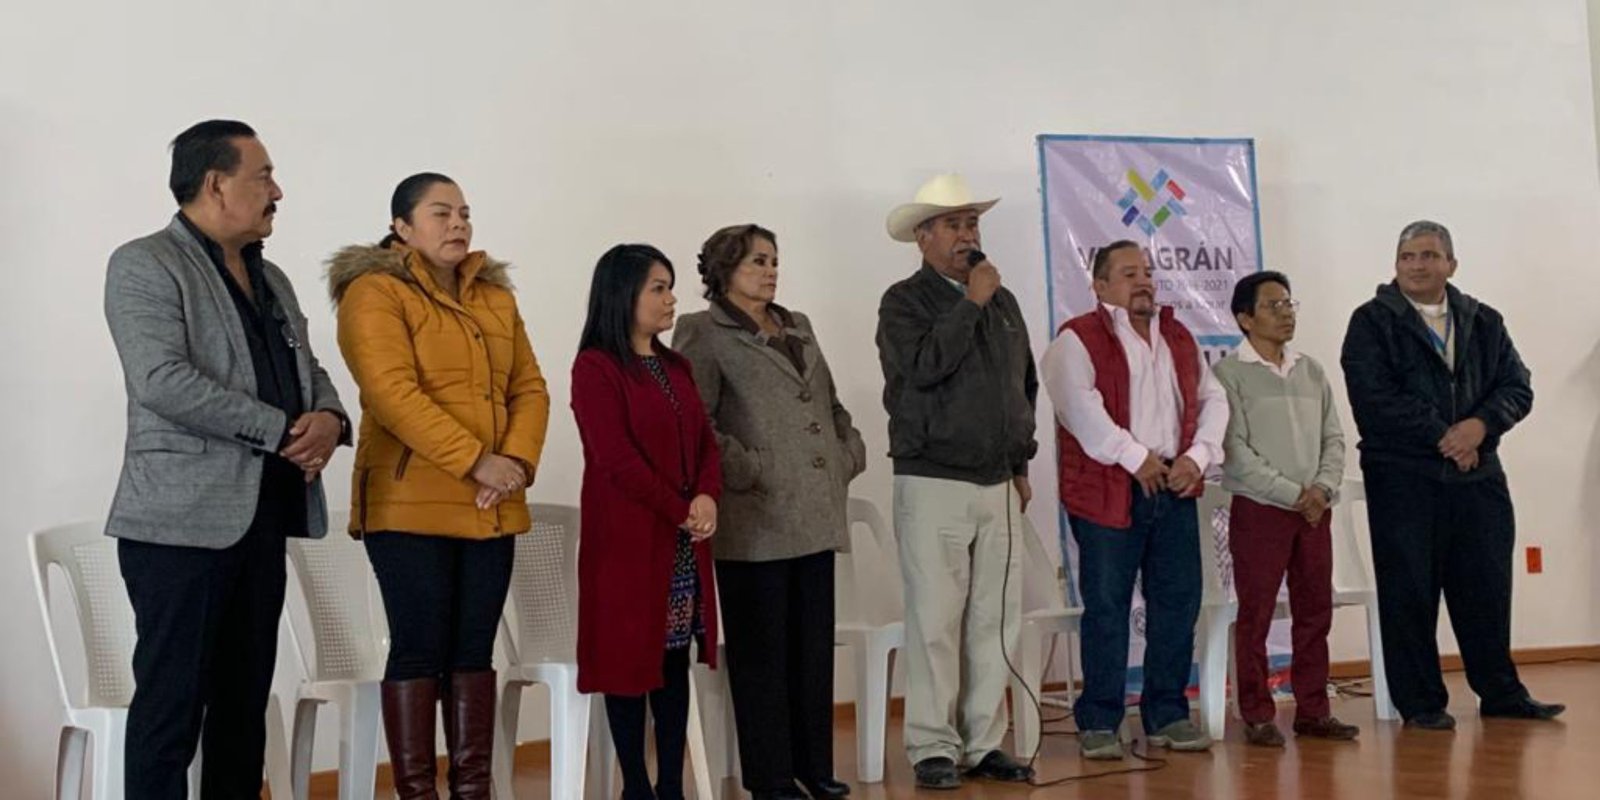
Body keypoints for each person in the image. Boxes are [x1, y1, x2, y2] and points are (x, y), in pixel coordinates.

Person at [104, 119, 349, 798]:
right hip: (177, 528)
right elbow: (161, 380)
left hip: (263, 518)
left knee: (243, 710)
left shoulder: (273, 277)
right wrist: (281, 431)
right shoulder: (144, 263)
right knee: (171, 711)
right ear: (216, 184)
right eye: (263, 176)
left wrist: (330, 420)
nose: (278, 192)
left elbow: (309, 368)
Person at [328, 172, 549, 798]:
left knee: (473, 652)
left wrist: (514, 464)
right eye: (441, 213)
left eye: (465, 213)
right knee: (420, 649)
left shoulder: (494, 297)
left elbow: (529, 388)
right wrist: (477, 461)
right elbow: (390, 393)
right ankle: (418, 792)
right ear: (401, 227)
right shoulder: (374, 291)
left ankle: (473, 790)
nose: (458, 224)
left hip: (490, 504)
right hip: (408, 506)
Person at [1340, 220, 1563, 729]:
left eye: (1429, 256)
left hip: (1479, 477)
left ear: (1451, 265)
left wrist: (1480, 427)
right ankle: (1421, 703)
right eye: (1407, 257)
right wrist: (1448, 437)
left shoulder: (1483, 320)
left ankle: (1501, 693)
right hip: (1404, 478)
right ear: (1395, 265)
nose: (1417, 265)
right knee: (1409, 592)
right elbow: (1374, 398)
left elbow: (1517, 386)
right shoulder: (1371, 321)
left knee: (1487, 589)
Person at [672, 224, 864, 800]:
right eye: (757, 261)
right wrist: (748, 467)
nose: (770, 270)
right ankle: (771, 776)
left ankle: (814, 767)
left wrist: (847, 453)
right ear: (724, 269)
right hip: (755, 520)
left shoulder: (796, 324)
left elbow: (830, 404)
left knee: (812, 652)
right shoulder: (703, 330)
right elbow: (696, 420)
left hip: (816, 511)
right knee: (763, 657)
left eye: (774, 260)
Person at [876, 173, 1038, 790]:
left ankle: (984, 741)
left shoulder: (1004, 302)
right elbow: (923, 368)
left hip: (997, 482)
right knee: (936, 620)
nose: (968, 235)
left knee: (995, 619)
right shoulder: (903, 302)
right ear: (923, 237)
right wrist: (970, 302)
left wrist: (1020, 465)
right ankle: (932, 746)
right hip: (933, 479)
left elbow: (1022, 385)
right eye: (953, 224)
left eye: (972, 223)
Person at [1040, 240, 1228, 760]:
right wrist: (1134, 457)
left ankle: (1167, 712)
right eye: (1128, 273)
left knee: (1177, 603)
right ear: (1100, 286)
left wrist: (1197, 456)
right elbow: (1079, 409)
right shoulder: (1076, 339)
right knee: (1107, 606)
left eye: (1147, 272)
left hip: (1174, 483)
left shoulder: (1178, 336)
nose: (1144, 280)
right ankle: (1100, 719)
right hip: (1110, 488)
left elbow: (1213, 399)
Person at [571, 244, 722, 800]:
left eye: (670, 287)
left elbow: (705, 444)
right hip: (627, 545)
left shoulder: (676, 366)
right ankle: (635, 785)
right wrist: (680, 509)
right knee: (628, 664)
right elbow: (615, 458)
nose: (671, 299)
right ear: (623, 294)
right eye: (658, 288)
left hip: (680, 543)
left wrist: (706, 495)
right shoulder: (596, 367)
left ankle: (670, 786)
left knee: (671, 662)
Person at [1213, 270, 1358, 747]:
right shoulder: (1228, 374)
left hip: (1314, 510)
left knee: (1315, 610)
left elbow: (1334, 438)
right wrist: (1293, 494)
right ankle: (1256, 713)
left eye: (1289, 304)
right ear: (1245, 318)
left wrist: (1321, 489)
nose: (1285, 314)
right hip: (1261, 509)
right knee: (1255, 614)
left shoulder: (1310, 370)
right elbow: (1235, 451)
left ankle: (1313, 710)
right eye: (1272, 306)